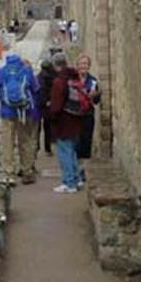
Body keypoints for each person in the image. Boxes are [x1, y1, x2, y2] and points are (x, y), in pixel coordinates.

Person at [0, 53, 40, 184]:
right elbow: (35, 87)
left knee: (7, 142)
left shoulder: (2, 71)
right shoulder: (26, 70)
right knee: (25, 140)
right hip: (24, 111)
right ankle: (26, 170)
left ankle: (9, 173)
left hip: (7, 111)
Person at [46, 52, 86, 193]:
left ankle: (69, 183)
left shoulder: (59, 81)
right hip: (76, 121)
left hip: (63, 123)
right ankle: (77, 179)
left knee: (65, 153)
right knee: (72, 152)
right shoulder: (74, 77)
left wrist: (50, 114)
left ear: (55, 65)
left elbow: (56, 106)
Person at [74, 54, 101, 182]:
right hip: (73, 116)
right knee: (75, 144)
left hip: (87, 116)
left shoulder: (93, 81)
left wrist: (94, 95)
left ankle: (83, 171)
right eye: (81, 64)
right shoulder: (72, 80)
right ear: (77, 66)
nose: (83, 66)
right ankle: (74, 170)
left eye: (86, 64)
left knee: (86, 143)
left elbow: (97, 101)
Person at [36, 58, 57, 155]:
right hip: (49, 104)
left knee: (38, 127)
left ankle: (36, 147)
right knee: (48, 127)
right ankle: (48, 148)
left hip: (39, 104)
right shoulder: (54, 76)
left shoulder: (38, 77)